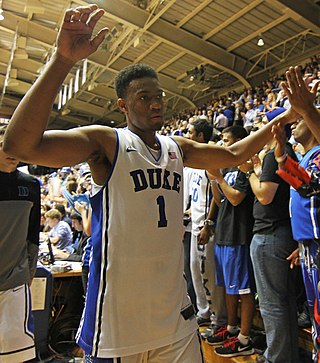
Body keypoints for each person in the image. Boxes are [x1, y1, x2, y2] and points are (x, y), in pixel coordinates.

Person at [3, 5, 301, 362]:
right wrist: (62, 61)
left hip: (174, 312)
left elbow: (235, 154)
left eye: (159, 96)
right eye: (145, 97)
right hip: (117, 315)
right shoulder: (106, 142)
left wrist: (284, 118)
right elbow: (19, 146)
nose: (156, 102)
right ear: (123, 106)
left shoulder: (178, 147)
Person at [241, 116, 300, 363]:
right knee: (282, 304)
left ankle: (275, 358)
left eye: (263, 125)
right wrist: (256, 171)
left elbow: (265, 196)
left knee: (272, 304)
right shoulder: (279, 155)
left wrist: (248, 174)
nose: (258, 130)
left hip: (270, 235)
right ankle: (285, 357)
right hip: (283, 234)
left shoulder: (274, 155)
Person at [272, 67, 320, 363]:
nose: (296, 121)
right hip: (309, 245)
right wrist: (280, 154)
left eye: (300, 118)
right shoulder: (306, 156)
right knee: (316, 316)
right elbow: (306, 189)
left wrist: (308, 108)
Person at [206, 126, 255, 358]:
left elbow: (236, 198)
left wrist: (218, 177)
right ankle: (232, 327)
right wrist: (215, 180)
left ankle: (244, 338)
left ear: (239, 141)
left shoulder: (246, 166)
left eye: (227, 140)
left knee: (243, 289)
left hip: (239, 234)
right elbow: (221, 198)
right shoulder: (226, 168)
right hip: (223, 233)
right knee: (227, 286)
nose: (223, 144)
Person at [0, 125, 41, 363]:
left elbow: (32, 235)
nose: (12, 151)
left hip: (14, 285)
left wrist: (29, 272)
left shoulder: (31, 185)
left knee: (19, 358)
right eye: (6, 144)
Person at [187, 119, 227, 328]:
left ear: (200, 136)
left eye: (191, 132)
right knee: (196, 273)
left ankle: (218, 319)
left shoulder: (210, 158)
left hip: (206, 227)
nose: (187, 135)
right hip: (194, 225)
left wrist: (208, 223)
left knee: (208, 276)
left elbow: (215, 195)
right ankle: (203, 313)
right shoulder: (194, 163)